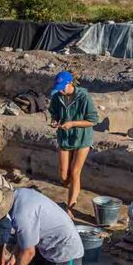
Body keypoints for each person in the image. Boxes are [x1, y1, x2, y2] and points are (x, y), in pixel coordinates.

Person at [48, 71, 99, 218]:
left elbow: (92, 121)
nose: (61, 90)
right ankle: (73, 190)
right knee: (64, 176)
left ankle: (70, 208)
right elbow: (54, 114)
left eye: (62, 87)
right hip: (65, 137)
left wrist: (73, 123)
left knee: (75, 172)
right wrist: (54, 121)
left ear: (70, 83)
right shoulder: (57, 97)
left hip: (82, 138)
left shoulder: (84, 97)